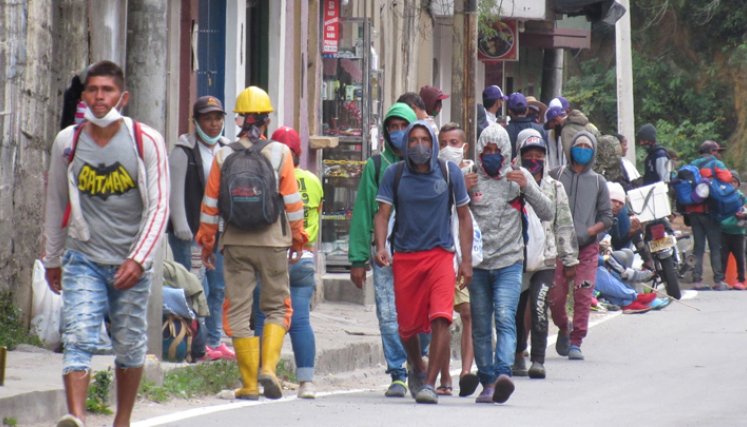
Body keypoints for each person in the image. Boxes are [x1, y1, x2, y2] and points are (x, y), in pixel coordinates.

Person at [43, 60, 170, 427]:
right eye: (94, 90)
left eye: (108, 90)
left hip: (131, 261)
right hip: (83, 255)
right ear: (84, 96)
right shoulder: (69, 142)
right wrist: (53, 258)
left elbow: (160, 206)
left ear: (123, 97)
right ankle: (77, 416)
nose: (100, 98)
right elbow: (56, 202)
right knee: (79, 335)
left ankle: (123, 419)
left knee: (130, 346)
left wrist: (139, 258)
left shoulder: (146, 141)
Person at [195, 86, 307, 401]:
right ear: (268, 119)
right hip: (273, 242)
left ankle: (247, 384)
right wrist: (298, 238)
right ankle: (268, 369)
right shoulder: (281, 153)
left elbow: (210, 204)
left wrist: (207, 244)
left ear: (240, 118)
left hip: (235, 243)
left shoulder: (223, 154)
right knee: (275, 307)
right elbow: (293, 202)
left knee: (239, 310)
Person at [374, 120, 473, 404]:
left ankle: (430, 384)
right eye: (414, 140)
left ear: (433, 143)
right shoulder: (395, 174)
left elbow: (464, 217)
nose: (419, 146)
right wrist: (381, 246)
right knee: (405, 328)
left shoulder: (448, 172)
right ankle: (418, 366)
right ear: (407, 144)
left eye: (425, 140)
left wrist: (466, 262)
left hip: (441, 255)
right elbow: (382, 214)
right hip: (405, 257)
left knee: (441, 315)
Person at [469, 124, 553, 403]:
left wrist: (527, 187)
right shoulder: (469, 177)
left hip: (509, 262)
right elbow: (450, 213)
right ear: (480, 151)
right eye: (486, 150)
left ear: (506, 152)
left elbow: (547, 211)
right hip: (478, 265)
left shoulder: (519, 177)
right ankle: (487, 380)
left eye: (497, 150)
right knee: (481, 325)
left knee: (505, 316)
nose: (491, 155)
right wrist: (458, 189)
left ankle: (503, 372)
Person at [348, 102, 417, 398]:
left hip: (420, 253)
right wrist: (357, 258)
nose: (399, 133)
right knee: (388, 314)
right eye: (393, 127)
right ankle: (398, 372)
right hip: (385, 254)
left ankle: (419, 365)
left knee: (418, 315)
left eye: (405, 127)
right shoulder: (376, 166)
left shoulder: (430, 164)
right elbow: (364, 211)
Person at [253, 126, 324, 398]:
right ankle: (306, 381)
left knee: (263, 317)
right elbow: (317, 214)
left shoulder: (266, 179)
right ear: (298, 153)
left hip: (272, 255)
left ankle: (263, 375)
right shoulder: (314, 181)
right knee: (300, 320)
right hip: (304, 256)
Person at [168, 96, 233, 361]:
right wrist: (181, 224)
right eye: (207, 118)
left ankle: (215, 341)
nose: (214, 123)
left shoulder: (228, 149)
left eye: (218, 117)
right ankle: (197, 342)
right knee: (195, 287)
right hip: (192, 233)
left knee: (218, 287)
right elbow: (175, 191)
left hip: (219, 231)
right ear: (196, 121)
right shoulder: (183, 151)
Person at [512, 129, 578, 380]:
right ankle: (518, 354)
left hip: (546, 260)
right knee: (516, 311)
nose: (534, 159)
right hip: (517, 257)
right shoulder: (513, 183)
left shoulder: (555, 187)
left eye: (539, 155)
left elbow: (564, 223)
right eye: (528, 154)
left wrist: (570, 259)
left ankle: (538, 360)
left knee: (539, 307)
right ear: (519, 156)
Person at [549, 131, 613, 361]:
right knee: (555, 297)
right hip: (558, 247)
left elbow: (607, 217)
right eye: (579, 145)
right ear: (571, 149)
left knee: (583, 294)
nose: (583, 149)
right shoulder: (556, 175)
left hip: (586, 248)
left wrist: (589, 232)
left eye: (588, 146)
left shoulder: (598, 181)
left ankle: (576, 340)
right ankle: (563, 327)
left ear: (593, 151)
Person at [434, 122, 480, 397]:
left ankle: (465, 372)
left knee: (467, 313)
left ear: (464, 146)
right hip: (439, 250)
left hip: (463, 252)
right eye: (444, 142)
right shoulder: (433, 171)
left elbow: (475, 210)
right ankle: (443, 377)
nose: (449, 148)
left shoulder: (475, 171)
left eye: (454, 142)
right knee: (441, 318)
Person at [685, 140, 734, 290]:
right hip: (710, 211)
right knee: (715, 246)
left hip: (693, 211)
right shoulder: (715, 164)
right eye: (718, 151)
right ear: (712, 151)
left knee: (698, 247)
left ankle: (697, 280)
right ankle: (718, 281)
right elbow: (728, 178)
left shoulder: (692, 164)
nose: (719, 154)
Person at [720, 171, 747, 290]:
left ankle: (741, 280)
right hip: (723, 231)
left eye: (734, 182)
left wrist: (742, 215)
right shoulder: (720, 196)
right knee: (723, 257)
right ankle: (720, 280)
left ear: (738, 184)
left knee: (739, 257)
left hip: (738, 232)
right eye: (729, 182)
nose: (732, 184)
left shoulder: (741, 197)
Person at [504, 92, 547, 159]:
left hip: (511, 169)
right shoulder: (541, 129)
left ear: (509, 111)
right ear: (527, 110)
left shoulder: (505, 131)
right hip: (536, 168)